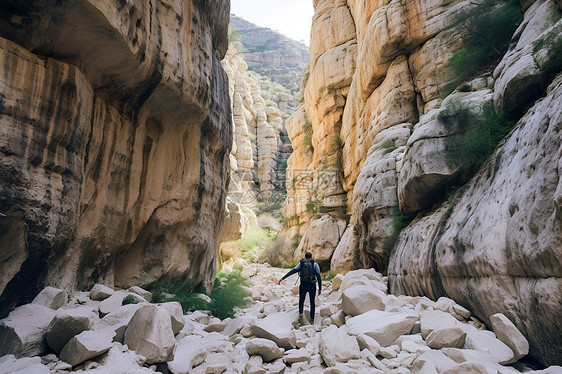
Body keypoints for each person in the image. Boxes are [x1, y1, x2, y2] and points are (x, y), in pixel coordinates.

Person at [278, 251, 321, 325]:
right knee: (312, 302)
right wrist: (320, 288)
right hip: (312, 285)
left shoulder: (301, 263)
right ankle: (312, 319)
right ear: (311, 257)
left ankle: (301, 315)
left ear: (305, 257)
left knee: (301, 300)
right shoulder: (315, 264)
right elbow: (318, 277)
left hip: (303, 285)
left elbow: (293, 271)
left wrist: (283, 278)